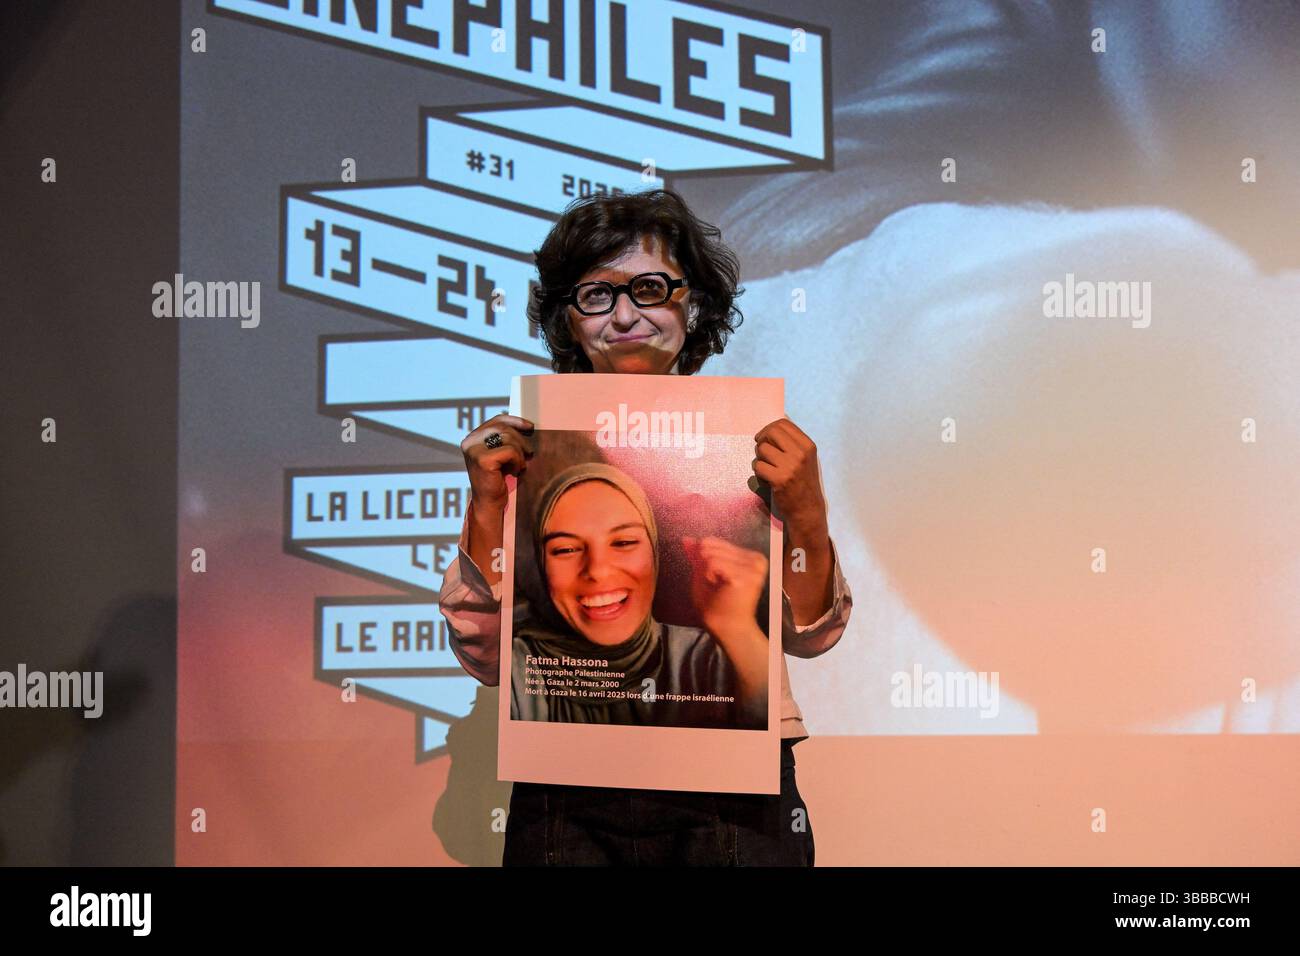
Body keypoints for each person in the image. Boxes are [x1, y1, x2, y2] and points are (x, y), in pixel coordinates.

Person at [439, 187, 853, 866]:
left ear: (692, 306)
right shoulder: (523, 452)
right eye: (596, 295)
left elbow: (813, 635)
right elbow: (486, 661)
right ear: (567, 320)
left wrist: (806, 513)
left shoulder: (747, 449)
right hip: (568, 793)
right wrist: (487, 506)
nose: (625, 314)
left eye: (651, 288)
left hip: (734, 792)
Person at [512, 460, 769, 729]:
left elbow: (758, 748)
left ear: (654, 552)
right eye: (565, 549)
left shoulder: (714, 656)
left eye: (623, 542)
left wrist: (737, 629)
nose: (597, 571)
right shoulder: (518, 667)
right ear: (542, 565)